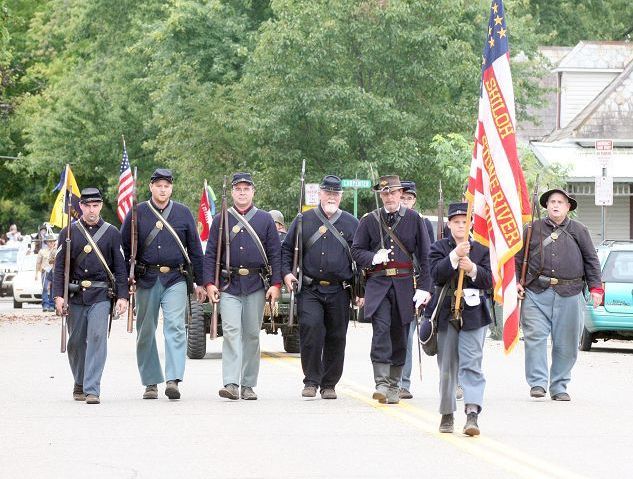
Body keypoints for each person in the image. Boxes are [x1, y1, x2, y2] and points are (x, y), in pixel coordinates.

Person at [121, 168, 206, 401]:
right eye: (158, 185)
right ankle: (150, 382)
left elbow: (196, 251)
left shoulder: (183, 213)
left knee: (176, 328)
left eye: (166, 185)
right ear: (150, 187)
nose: (162, 189)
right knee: (145, 330)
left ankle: (173, 380)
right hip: (146, 278)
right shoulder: (137, 213)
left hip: (175, 279)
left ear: (171, 188)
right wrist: (127, 277)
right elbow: (125, 248)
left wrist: (200, 282)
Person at [516, 189, 602, 402]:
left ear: (568, 207)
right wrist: (517, 282)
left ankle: (559, 385)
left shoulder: (579, 230)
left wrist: (596, 288)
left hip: (570, 293)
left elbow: (591, 260)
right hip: (536, 292)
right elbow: (518, 259)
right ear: (546, 206)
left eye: (560, 202)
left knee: (567, 343)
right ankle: (537, 382)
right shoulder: (531, 229)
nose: (555, 205)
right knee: (534, 337)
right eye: (552, 201)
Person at [352, 175, 431, 404]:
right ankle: (381, 382)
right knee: (381, 330)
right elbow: (356, 251)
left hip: (405, 284)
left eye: (392, 193)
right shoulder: (369, 220)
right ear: (381, 196)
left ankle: (395, 384)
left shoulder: (415, 219)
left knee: (399, 333)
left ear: (400, 194)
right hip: (378, 284)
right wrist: (373, 257)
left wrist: (425, 288)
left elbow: (425, 256)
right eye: (384, 194)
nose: (388, 197)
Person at [204, 172, 281, 401]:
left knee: (251, 335)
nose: (242, 192)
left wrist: (275, 284)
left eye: (246, 189)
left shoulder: (265, 219)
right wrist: (209, 283)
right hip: (229, 284)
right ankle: (231, 383)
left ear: (253, 191)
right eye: (238, 189)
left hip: (256, 284)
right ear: (233, 192)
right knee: (231, 333)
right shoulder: (221, 219)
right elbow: (210, 255)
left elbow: (275, 254)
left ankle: (248, 384)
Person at [282, 175, 360, 399]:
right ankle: (311, 381)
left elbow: (360, 256)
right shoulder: (303, 220)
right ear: (320, 194)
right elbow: (286, 250)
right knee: (311, 331)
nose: (331, 197)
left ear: (341, 197)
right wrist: (287, 273)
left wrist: (360, 291)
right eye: (328, 193)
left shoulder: (352, 223)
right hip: (310, 288)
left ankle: (329, 384)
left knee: (337, 337)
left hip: (340, 289)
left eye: (336, 194)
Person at [53, 188, 129, 404]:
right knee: (76, 343)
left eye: (96, 205)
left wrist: (122, 297)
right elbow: (59, 268)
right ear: (81, 207)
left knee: (97, 338)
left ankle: (92, 388)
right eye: (88, 206)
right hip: (75, 295)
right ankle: (80, 380)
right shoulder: (68, 233)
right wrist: (59, 296)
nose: (92, 210)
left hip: (101, 294)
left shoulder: (112, 232)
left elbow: (120, 268)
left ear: (101, 206)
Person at [423, 202, 492, 436]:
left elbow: (489, 281)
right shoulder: (438, 248)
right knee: (447, 366)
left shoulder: (482, 250)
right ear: (449, 224)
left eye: (465, 221)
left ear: (471, 223)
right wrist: (454, 256)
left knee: (472, 364)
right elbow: (436, 275)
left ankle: (472, 413)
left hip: (473, 315)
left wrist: (472, 268)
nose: (461, 225)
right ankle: (446, 413)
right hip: (446, 313)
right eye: (456, 222)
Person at [398, 180, 434, 399]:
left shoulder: (422, 222)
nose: (405, 202)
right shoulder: (386, 220)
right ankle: (392, 379)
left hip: (414, 284)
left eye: (409, 198)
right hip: (393, 282)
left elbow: (428, 257)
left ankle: (404, 382)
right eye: (403, 197)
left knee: (409, 334)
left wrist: (426, 287)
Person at [36, 234, 57, 312]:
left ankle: (52, 305)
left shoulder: (56, 250)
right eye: (49, 241)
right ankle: (45, 304)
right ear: (46, 242)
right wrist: (36, 273)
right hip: (45, 271)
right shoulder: (42, 251)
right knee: (45, 288)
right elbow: (38, 262)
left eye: (52, 241)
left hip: (54, 271)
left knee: (53, 288)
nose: (50, 243)